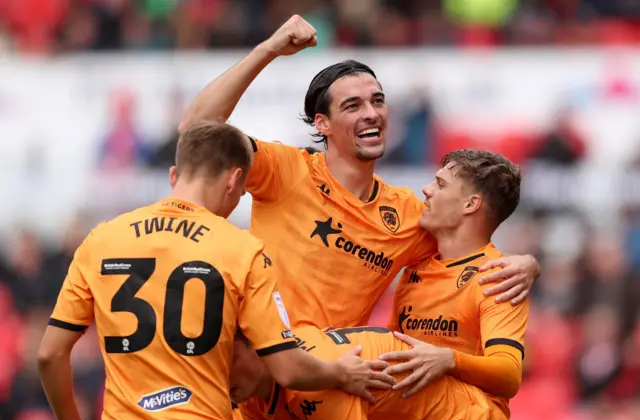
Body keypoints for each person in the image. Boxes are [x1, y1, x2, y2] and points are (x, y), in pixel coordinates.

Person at [178, 14, 539, 332]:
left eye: (377, 100)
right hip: (254, 380)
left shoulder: (409, 217)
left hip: (325, 391)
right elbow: (197, 128)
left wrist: (526, 264)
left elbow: (473, 247)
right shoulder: (285, 169)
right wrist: (268, 50)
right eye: (353, 105)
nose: (371, 113)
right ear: (324, 124)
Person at [36, 121, 395, 420]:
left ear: (175, 175)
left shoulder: (101, 239)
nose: (237, 199)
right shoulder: (241, 249)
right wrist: (341, 373)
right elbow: (286, 369)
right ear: (235, 180)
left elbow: (50, 355)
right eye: (241, 192)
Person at [380, 149, 528, 420]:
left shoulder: (498, 276)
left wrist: (449, 359)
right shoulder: (414, 270)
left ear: (470, 205)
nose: (426, 190)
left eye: (440, 184)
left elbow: (509, 374)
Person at [233, 326, 509, 420]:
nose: (219, 374)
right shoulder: (253, 396)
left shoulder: (318, 388)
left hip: (466, 419)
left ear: (255, 344)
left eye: (230, 359)